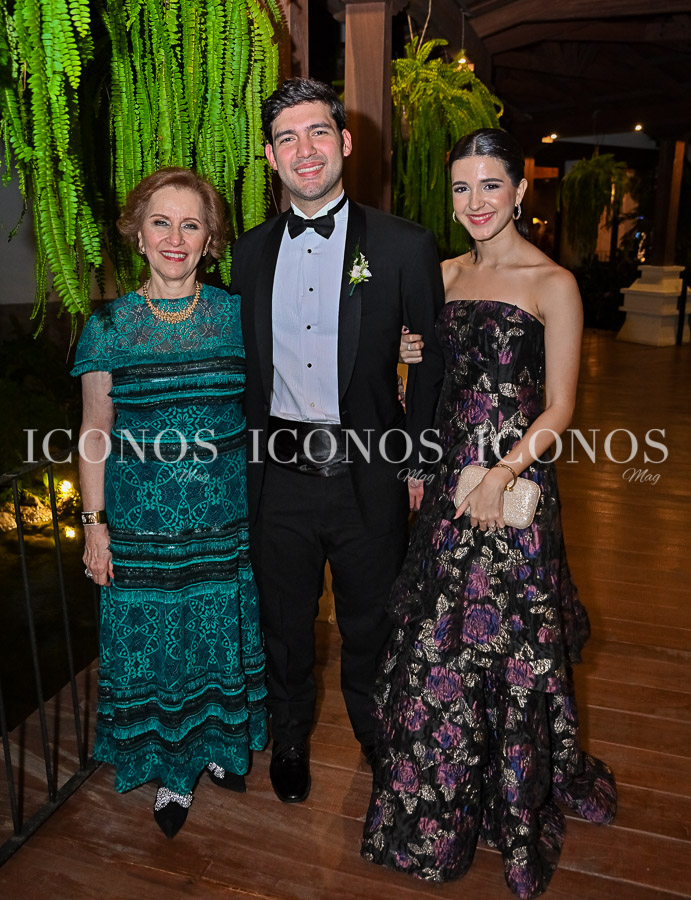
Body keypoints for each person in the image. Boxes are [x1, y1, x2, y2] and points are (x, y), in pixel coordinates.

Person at [361, 129, 617, 899]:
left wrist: (500, 474)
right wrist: (408, 368)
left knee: (506, 646)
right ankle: (432, 818)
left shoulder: (552, 283)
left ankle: (509, 801)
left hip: (513, 490)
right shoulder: (438, 275)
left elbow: (560, 405)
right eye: (460, 188)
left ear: (519, 191)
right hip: (448, 482)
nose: (474, 202)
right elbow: (429, 382)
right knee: (434, 646)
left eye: (490, 185)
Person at [230, 78, 445, 804]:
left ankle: (377, 739)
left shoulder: (405, 244)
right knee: (284, 626)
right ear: (269, 156)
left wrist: (417, 462)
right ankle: (289, 738)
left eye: (318, 131)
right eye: (286, 138)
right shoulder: (247, 254)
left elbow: (432, 363)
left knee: (371, 624)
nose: (305, 150)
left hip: (369, 475)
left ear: (345, 141)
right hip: (278, 478)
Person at [73, 168, 267, 838]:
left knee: (214, 643)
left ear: (211, 239)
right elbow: (94, 431)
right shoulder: (108, 325)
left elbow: (308, 362)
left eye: (191, 225)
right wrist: (94, 527)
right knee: (157, 652)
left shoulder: (238, 316)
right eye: (161, 223)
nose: (175, 238)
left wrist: (397, 344)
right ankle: (172, 772)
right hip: (142, 531)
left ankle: (216, 748)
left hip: (223, 524)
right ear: (138, 234)